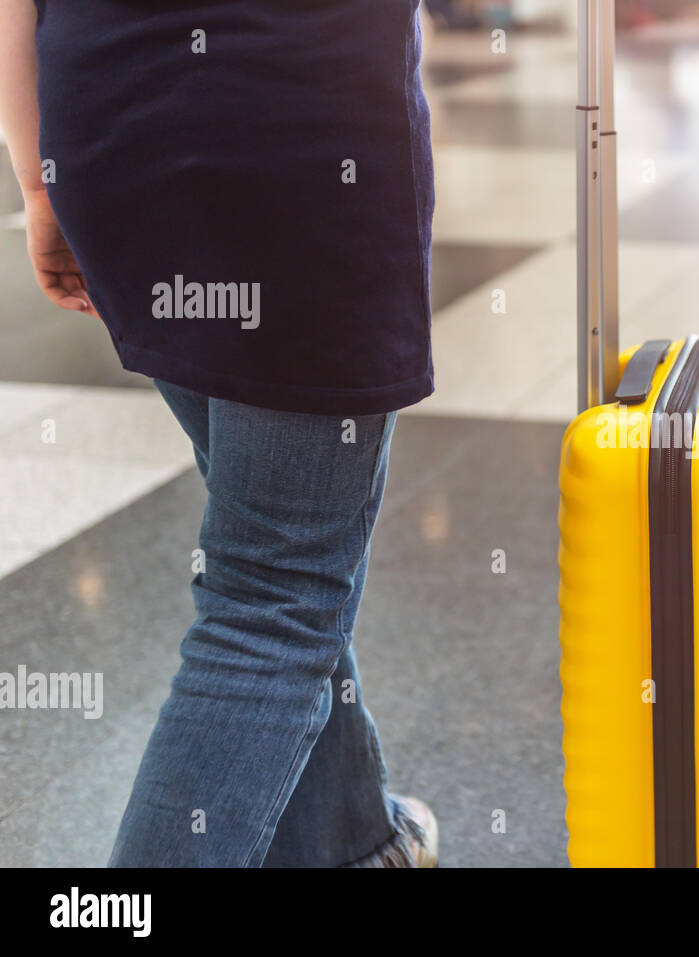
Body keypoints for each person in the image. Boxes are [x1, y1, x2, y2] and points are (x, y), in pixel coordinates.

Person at [0, 0, 439, 867]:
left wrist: (36, 180)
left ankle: (354, 839)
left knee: (277, 550)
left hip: (105, 119)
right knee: (271, 601)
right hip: (301, 124)